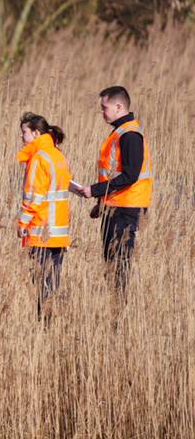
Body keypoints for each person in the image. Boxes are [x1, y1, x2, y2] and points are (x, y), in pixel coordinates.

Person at [71, 86, 152, 291]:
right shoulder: (118, 132)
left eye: (104, 107)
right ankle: (114, 306)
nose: (102, 112)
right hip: (114, 206)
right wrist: (101, 202)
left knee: (119, 263)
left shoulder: (130, 135)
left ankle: (119, 312)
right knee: (111, 262)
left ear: (119, 106)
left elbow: (130, 176)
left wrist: (95, 190)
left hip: (126, 208)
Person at [16, 112, 71, 316]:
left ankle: (42, 325)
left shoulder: (39, 158)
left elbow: (33, 197)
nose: (22, 137)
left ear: (36, 133)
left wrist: (22, 224)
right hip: (59, 232)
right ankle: (49, 324)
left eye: (24, 132)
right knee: (52, 281)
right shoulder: (57, 155)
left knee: (40, 282)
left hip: (41, 230)